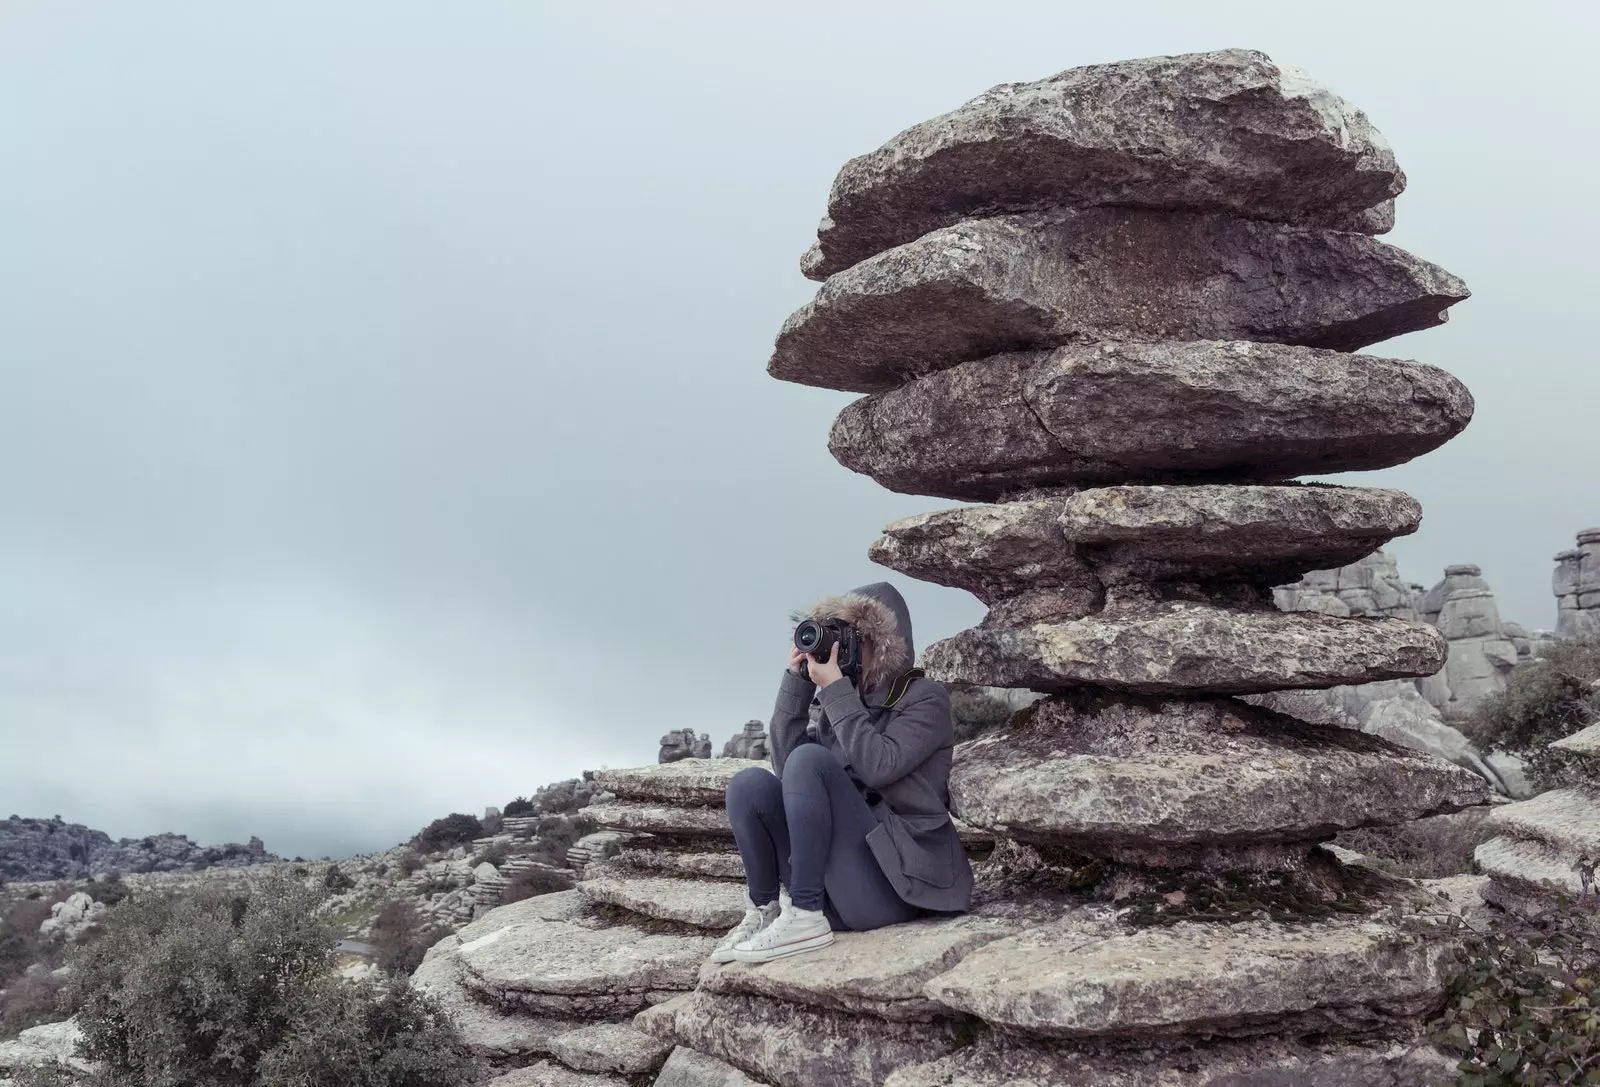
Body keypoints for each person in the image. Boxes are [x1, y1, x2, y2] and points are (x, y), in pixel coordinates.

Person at [710, 582, 974, 964]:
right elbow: (788, 771)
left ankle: (803, 913)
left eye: (850, 637)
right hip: (842, 889)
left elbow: (878, 766)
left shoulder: (925, 698)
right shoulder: (846, 700)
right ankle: (766, 910)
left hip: (897, 887)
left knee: (811, 761)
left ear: (883, 644)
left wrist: (835, 691)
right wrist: (797, 683)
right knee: (748, 785)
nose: (837, 649)